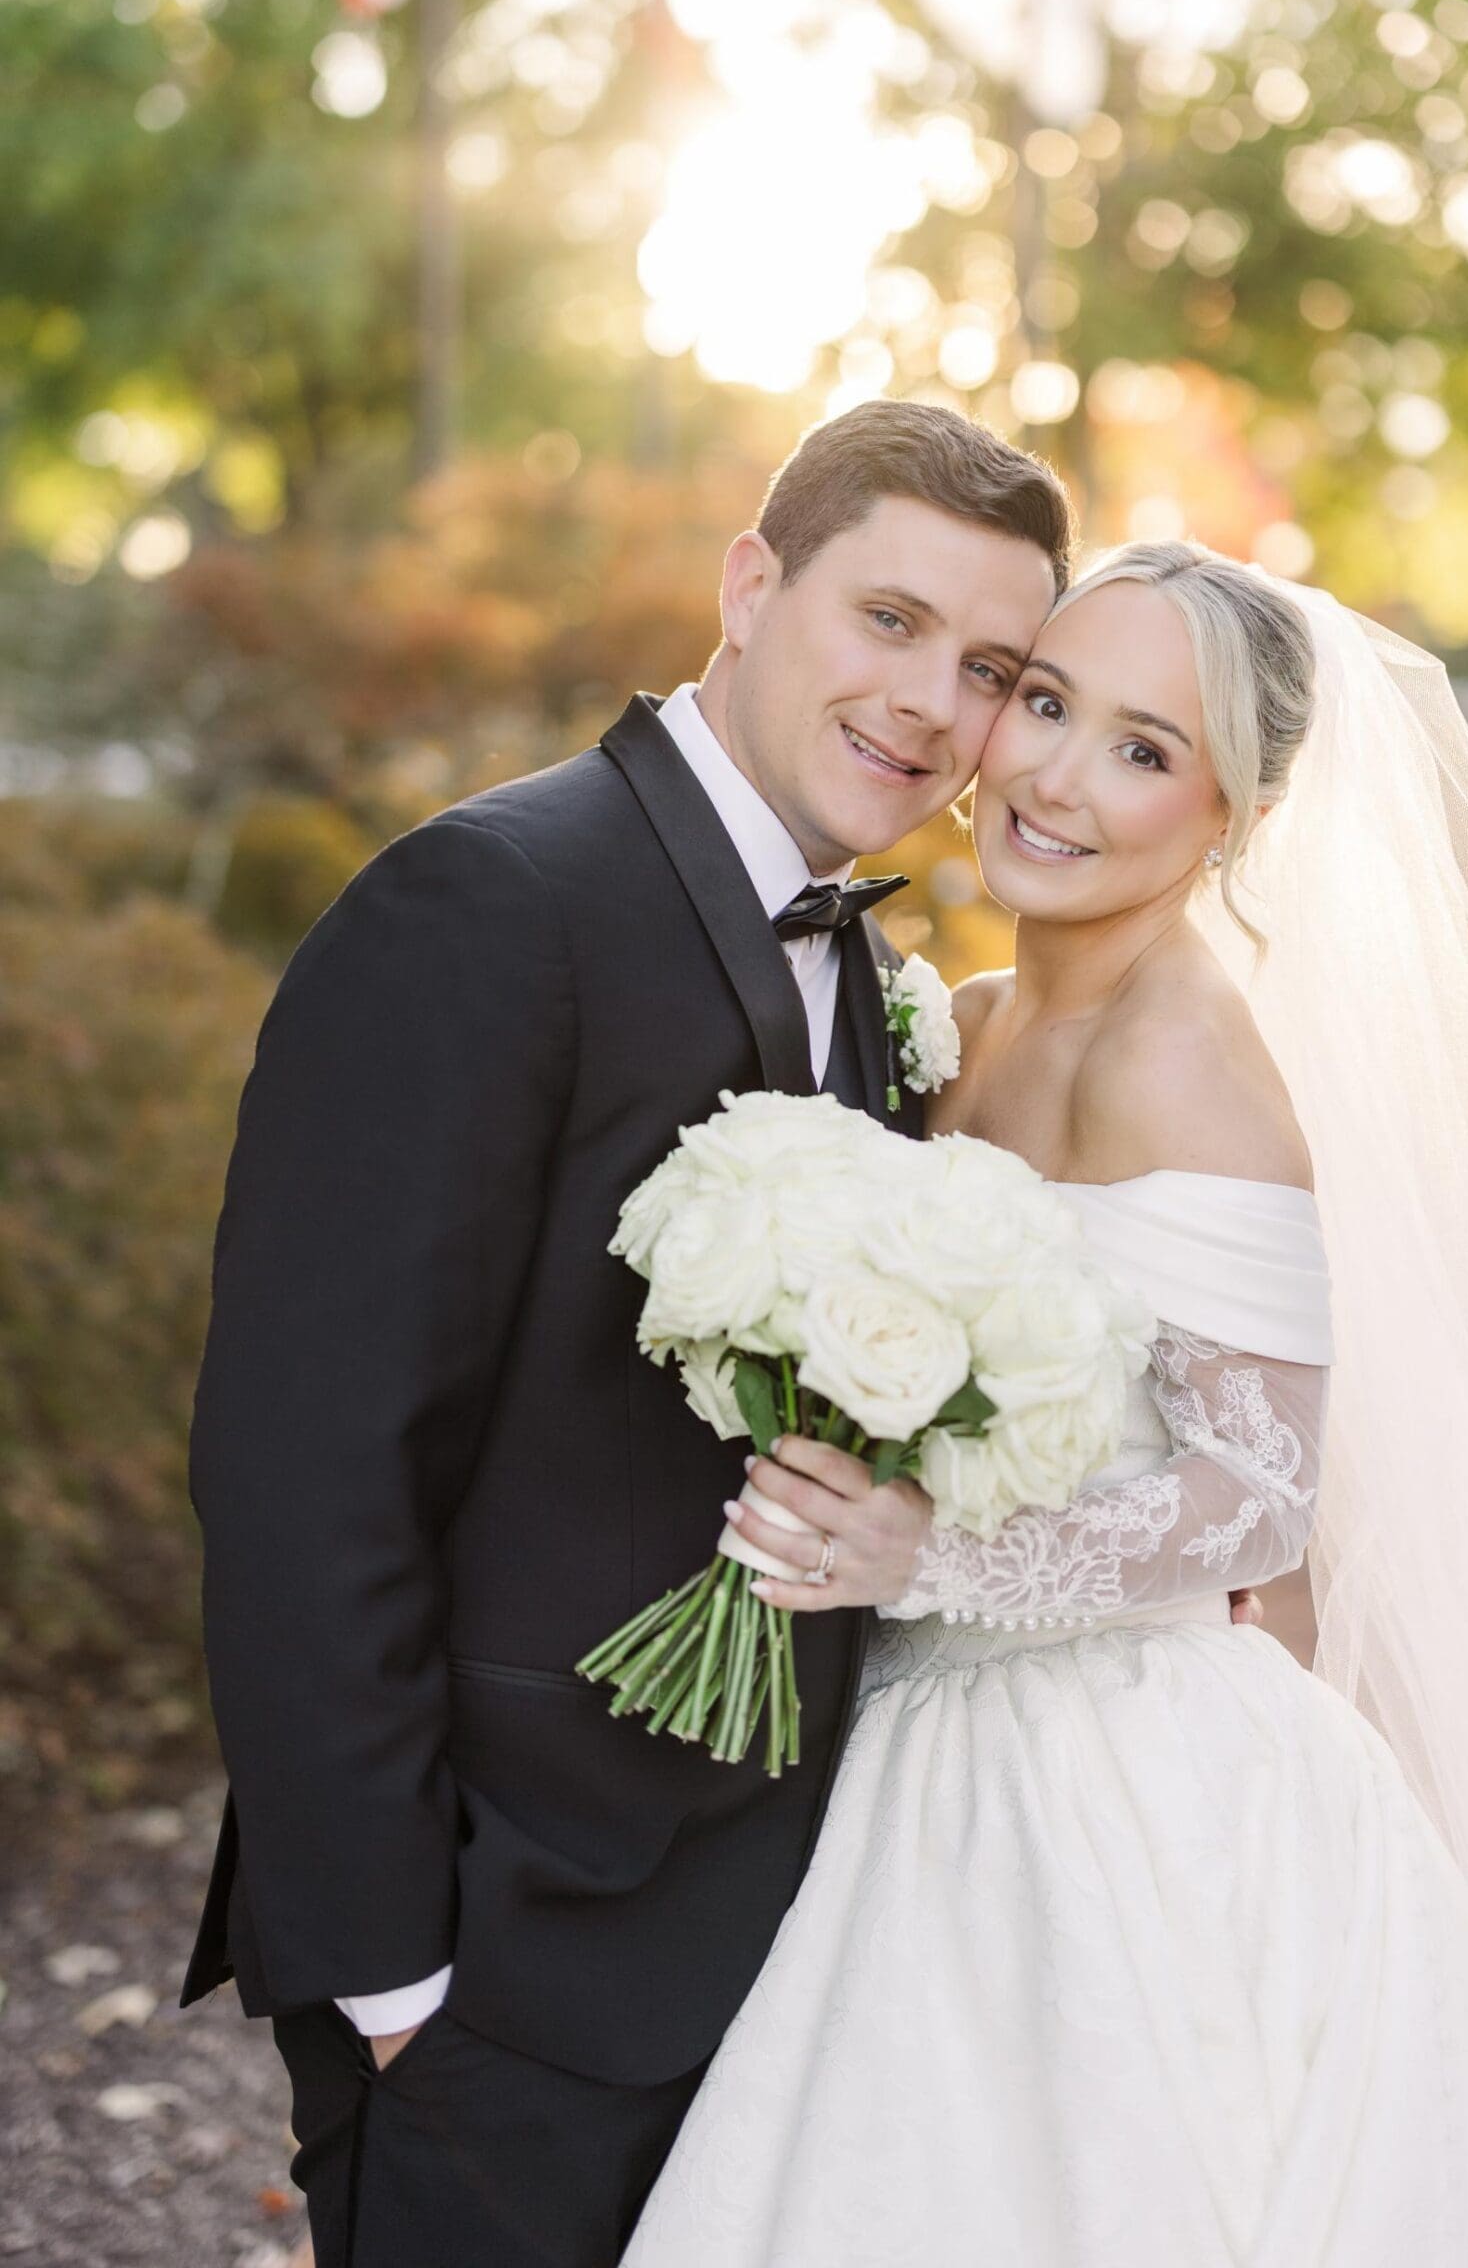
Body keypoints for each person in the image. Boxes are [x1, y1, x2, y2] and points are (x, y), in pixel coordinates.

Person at [622, 542, 1468, 2266]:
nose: (1054, 775)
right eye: (1046, 703)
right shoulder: (948, 1024)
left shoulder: (1190, 1063)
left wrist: (924, 1555)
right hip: (899, 1732)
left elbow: (1259, 1497)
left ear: (1232, 816)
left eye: (1144, 748)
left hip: (1112, 1783)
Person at [180, 400, 1095, 2268]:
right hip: (502, 1956)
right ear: (752, 586)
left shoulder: (867, 961)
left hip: (771, 1947)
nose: (931, 703)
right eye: (889, 620)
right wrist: (392, 1972)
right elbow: (305, 1469)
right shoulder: (488, 904)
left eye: (990, 666)